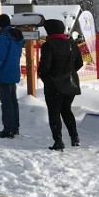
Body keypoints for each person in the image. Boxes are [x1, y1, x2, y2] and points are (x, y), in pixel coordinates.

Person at [38, 19, 84, 150]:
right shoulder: (71, 43)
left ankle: (58, 141)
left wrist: (46, 77)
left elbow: (45, 67)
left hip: (54, 85)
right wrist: (69, 72)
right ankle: (75, 138)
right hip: (71, 84)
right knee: (66, 110)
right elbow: (79, 63)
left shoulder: (48, 45)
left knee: (54, 113)